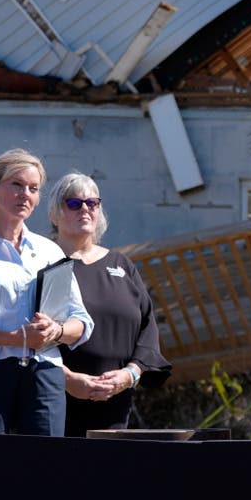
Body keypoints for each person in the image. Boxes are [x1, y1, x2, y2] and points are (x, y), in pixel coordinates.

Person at [0, 148, 94, 435]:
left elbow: (81, 320)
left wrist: (56, 332)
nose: (25, 194)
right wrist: (16, 337)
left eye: (33, 188)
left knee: (43, 469)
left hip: (43, 374)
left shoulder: (50, 251)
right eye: (17, 185)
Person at [47, 172, 171, 437]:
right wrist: (67, 380)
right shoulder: (48, 265)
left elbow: (148, 329)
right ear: (54, 214)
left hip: (116, 404)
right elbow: (36, 335)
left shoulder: (121, 265)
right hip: (57, 403)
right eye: (74, 203)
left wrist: (129, 375)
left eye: (92, 203)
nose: (85, 209)